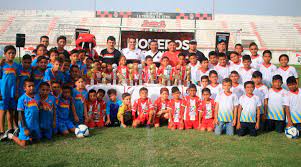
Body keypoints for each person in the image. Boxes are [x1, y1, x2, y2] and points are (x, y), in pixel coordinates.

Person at [6, 79, 40, 147]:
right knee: (23, 144)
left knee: (37, 140)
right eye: (29, 86)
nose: (32, 88)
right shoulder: (22, 99)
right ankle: (12, 136)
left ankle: (29, 136)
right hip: (25, 125)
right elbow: (20, 115)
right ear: (24, 88)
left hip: (35, 124)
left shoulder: (37, 97)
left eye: (33, 86)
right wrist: (25, 128)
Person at [0, 45, 19, 140]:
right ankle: (1, 131)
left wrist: (16, 91)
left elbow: (17, 79)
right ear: (5, 54)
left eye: (13, 53)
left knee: (11, 110)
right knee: (2, 110)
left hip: (12, 92)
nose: (11, 55)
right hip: (3, 92)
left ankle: (10, 129)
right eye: (9, 53)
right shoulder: (2, 65)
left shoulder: (16, 65)